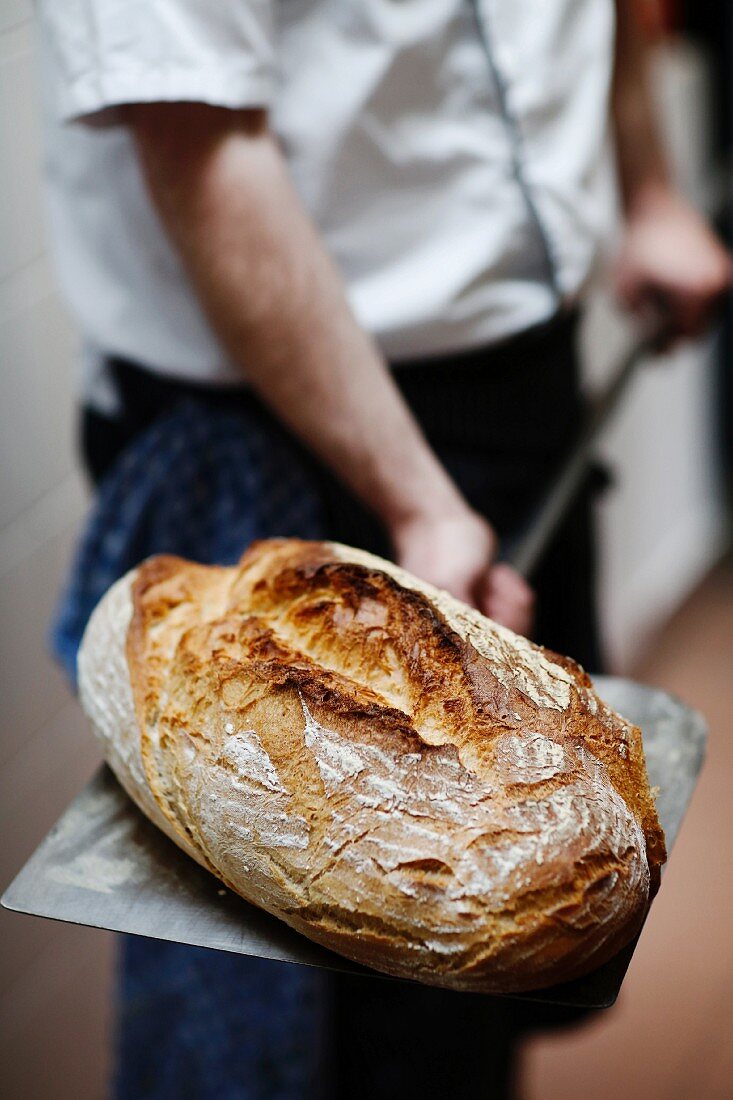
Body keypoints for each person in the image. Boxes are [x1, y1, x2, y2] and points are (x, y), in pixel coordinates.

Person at [38, 1, 730, 1097]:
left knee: (483, 971)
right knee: (297, 1033)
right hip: (275, 406)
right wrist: (417, 499)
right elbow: (195, 134)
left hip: (517, 388)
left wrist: (643, 185)